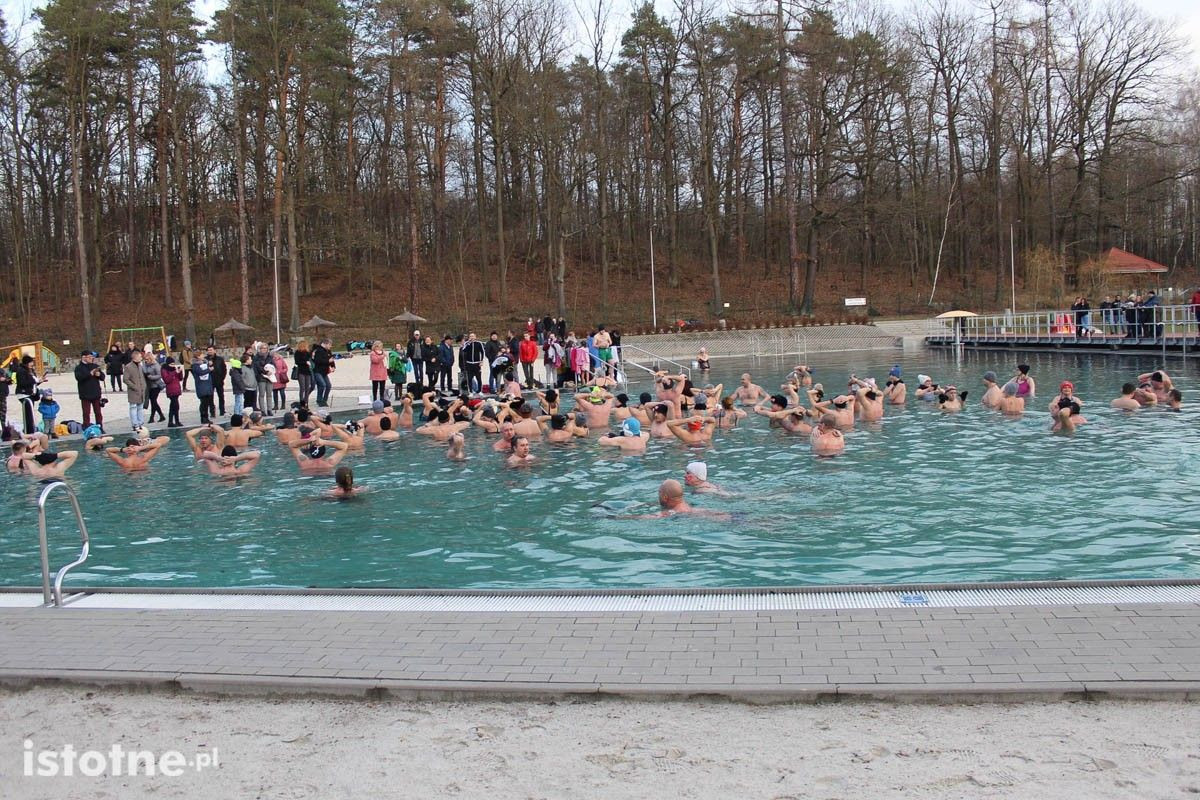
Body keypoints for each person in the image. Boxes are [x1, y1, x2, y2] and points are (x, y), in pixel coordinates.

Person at [74, 350, 105, 429]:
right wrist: (89, 374)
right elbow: (79, 378)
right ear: (84, 357)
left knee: (98, 412)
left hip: (96, 393)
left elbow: (103, 377)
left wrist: (99, 375)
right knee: (86, 413)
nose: (91, 358)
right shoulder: (79, 368)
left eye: (92, 357)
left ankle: (100, 426)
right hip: (85, 394)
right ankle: (86, 427)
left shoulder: (94, 365)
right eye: (89, 357)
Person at [104, 436, 170, 471]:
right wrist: (141, 448)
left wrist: (122, 449)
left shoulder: (123, 462)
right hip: (142, 477)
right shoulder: (143, 459)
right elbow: (158, 445)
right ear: (138, 446)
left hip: (128, 477)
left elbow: (108, 450)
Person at [122, 349, 147, 431]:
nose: (141, 358)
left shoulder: (140, 365)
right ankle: (135, 424)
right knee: (133, 407)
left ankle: (141, 423)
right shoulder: (128, 367)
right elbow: (125, 379)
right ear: (135, 357)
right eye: (140, 356)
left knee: (140, 407)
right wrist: (134, 386)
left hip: (141, 390)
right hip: (133, 391)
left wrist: (144, 386)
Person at [142, 352, 166, 423]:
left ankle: (152, 417)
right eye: (145, 359)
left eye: (147, 359)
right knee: (153, 401)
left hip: (156, 385)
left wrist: (151, 377)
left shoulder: (156, 365)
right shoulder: (144, 365)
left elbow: (160, 375)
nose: (146, 361)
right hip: (149, 386)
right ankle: (160, 416)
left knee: (153, 401)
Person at [206, 346, 228, 417]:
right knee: (210, 397)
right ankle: (212, 412)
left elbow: (224, 369)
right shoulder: (205, 360)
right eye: (208, 350)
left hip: (219, 380)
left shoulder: (220, 359)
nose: (210, 351)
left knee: (221, 396)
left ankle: (222, 410)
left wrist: (222, 378)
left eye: (211, 350)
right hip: (209, 381)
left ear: (215, 351)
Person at [161, 358, 184, 427]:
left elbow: (180, 378)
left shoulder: (174, 369)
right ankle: (175, 421)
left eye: (174, 364)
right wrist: (174, 373)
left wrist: (180, 372)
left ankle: (172, 421)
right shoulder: (164, 369)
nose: (173, 366)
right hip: (171, 389)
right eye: (171, 364)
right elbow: (167, 380)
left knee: (173, 406)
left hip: (176, 389)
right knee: (175, 405)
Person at [193, 357, 216, 424]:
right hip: (201, 387)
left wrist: (210, 366)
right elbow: (201, 372)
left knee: (206, 403)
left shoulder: (206, 364)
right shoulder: (195, 366)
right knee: (203, 403)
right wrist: (209, 369)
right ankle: (203, 418)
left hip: (207, 386)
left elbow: (211, 372)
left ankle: (206, 417)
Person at [252, 342, 273, 413]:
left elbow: (273, 365)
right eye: (263, 348)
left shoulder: (270, 356)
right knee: (261, 394)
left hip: (269, 377)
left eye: (266, 348)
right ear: (260, 349)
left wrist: (271, 371)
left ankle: (269, 409)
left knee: (269, 394)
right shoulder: (256, 357)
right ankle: (263, 410)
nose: (264, 350)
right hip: (261, 377)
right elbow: (258, 367)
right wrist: (265, 372)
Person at [312, 339, 334, 407]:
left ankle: (324, 400)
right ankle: (319, 400)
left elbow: (331, 359)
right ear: (325, 344)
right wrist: (328, 361)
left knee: (328, 385)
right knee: (322, 385)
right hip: (317, 371)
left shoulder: (328, 351)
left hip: (324, 372)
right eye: (329, 345)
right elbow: (318, 361)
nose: (330, 346)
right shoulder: (318, 350)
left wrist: (333, 366)